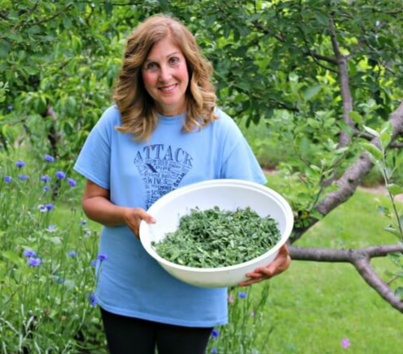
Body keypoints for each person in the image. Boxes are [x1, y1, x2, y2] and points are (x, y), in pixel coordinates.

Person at [74, 14, 290, 354]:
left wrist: (279, 254)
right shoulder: (115, 123)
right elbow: (91, 202)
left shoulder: (220, 130)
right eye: (152, 65)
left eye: (173, 61)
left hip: (193, 297)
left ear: (189, 63)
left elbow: (255, 210)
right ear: (138, 73)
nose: (165, 75)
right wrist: (125, 215)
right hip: (126, 291)